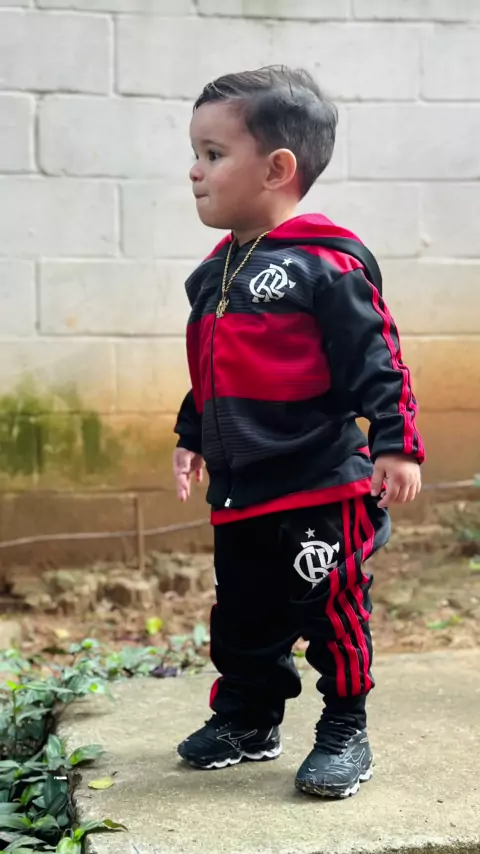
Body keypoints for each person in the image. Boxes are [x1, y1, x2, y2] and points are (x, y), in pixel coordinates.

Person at [172, 65, 424, 799]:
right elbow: (213, 368)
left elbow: (377, 357)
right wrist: (192, 433)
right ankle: (250, 718)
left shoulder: (326, 263)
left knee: (331, 611)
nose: (194, 170)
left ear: (277, 168)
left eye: (213, 154)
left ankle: (345, 729)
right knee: (243, 614)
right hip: (242, 488)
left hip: (320, 484)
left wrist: (395, 443)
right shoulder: (214, 273)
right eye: (194, 153)